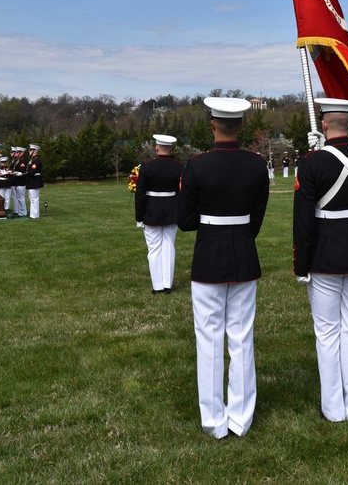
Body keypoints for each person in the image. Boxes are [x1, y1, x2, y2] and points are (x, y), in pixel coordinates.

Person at [177, 97, 269, 439]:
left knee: (209, 338)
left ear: (213, 125)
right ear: (241, 126)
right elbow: (256, 218)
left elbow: (185, 220)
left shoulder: (197, 165)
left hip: (209, 256)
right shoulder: (257, 165)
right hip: (243, 253)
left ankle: (214, 419)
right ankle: (241, 418)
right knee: (241, 337)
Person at [293, 98, 348, 422]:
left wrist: (300, 265)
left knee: (328, 332)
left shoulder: (312, 163)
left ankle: (333, 408)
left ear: (324, 125)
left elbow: (303, 220)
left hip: (324, 253)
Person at [135, 134, 184, 294]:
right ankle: (167, 284)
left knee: (154, 249)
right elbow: (182, 192)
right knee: (169, 246)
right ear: (170, 149)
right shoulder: (179, 167)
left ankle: (157, 286)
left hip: (151, 212)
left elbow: (140, 194)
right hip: (171, 210)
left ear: (157, 148)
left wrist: (139, 216)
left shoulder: (147, 167)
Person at [9, 147, 28, 217]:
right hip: (17, 182)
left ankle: (23, 212)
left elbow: (21, 170)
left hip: (21, 182)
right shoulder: (18, 161)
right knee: (19, 198)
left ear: (22, 153)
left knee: (21, 198)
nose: (16, 154)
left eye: (18, 152)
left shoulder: (23, 161)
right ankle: (21, 212)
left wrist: (13, 172)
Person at [26, 144, 44, 219]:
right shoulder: (32, 160)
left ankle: (35, 215)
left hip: (35, 180)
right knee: (32, 198)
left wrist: (24, 174)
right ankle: (33, 214)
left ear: (35, 151)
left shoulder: (36, 160)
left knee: (34, 199)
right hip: (31, 181)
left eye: (31, 150)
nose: (29, 152)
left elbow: (33, 171)